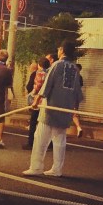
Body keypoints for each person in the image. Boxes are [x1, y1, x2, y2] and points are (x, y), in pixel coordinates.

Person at [23, 41, 83, 178]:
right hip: (65, 109)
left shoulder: (57, 65)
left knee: (40, 138)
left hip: (50, 108)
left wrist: (36, 101)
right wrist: (74, 108)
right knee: (59, 140)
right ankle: (57, 169)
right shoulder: (74, 68)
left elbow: (47, 85)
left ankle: (36, 167)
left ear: (62, 50)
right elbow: (77, 92)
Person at [72, 63, 84, 137]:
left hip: (71, 97)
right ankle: (78, 128)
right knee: (74, 113)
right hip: (76, 97)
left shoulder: (72, 76)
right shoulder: (80, 77)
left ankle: (78, 127)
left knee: (72, 113)